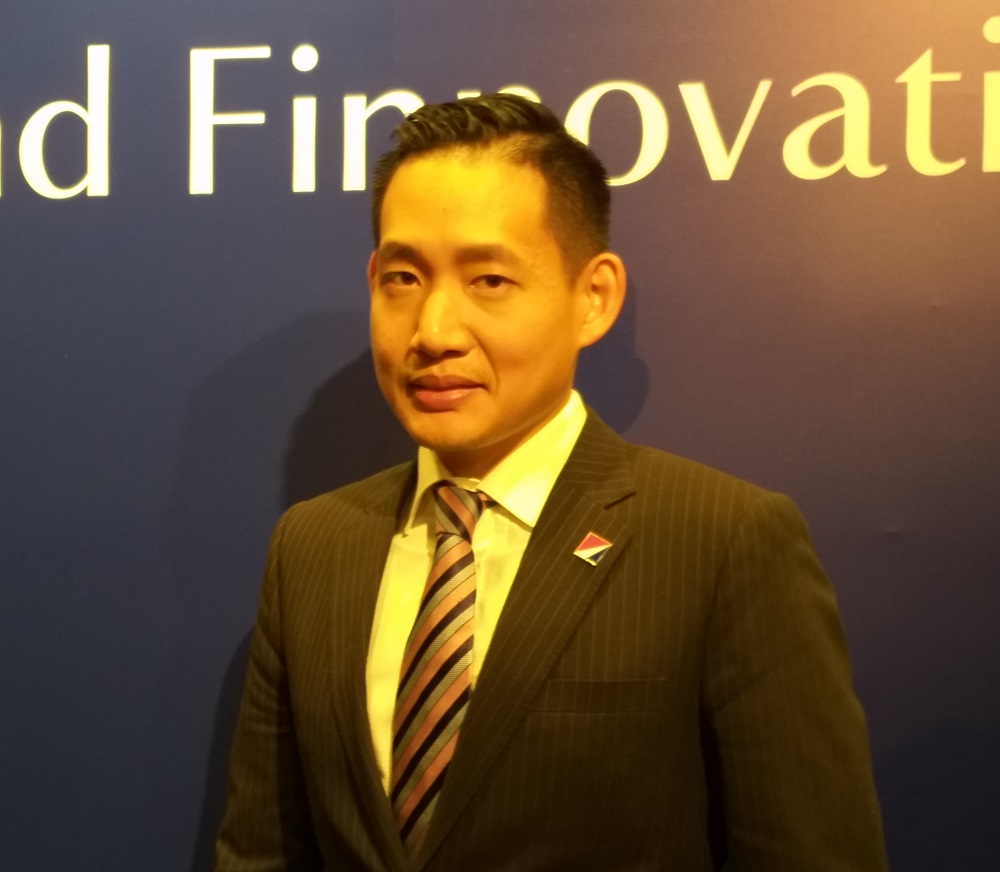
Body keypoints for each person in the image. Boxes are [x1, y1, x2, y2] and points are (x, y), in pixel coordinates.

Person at [216, 94, 888, 871]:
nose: (433, 331)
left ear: (593, 297)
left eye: (489, 280)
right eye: (403, 277)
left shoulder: (722, 540)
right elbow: (260, 853)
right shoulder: (312, 546)